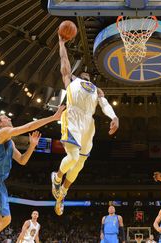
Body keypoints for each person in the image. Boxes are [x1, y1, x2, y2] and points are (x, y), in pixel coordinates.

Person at [51, 33, 119, 216]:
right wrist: (61, 44)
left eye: (88, 75)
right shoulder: (71, 81)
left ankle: (63, 192)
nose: (87, 74)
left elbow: (104, 104)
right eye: (84, 73)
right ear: (78, 75)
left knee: (79, 164)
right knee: (72, 157)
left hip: (89, 122)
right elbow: (64, 62)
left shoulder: (97, 90)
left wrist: (114, 117)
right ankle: (56, 178)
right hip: (72, 115)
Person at [0, 106, 64, 243]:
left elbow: (22, 160)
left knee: (6, 219)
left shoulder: (10, 142)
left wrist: (32, 146)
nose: (9, 118)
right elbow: (27, 127)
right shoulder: (0, 133)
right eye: (6, 117)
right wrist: (53, 117)